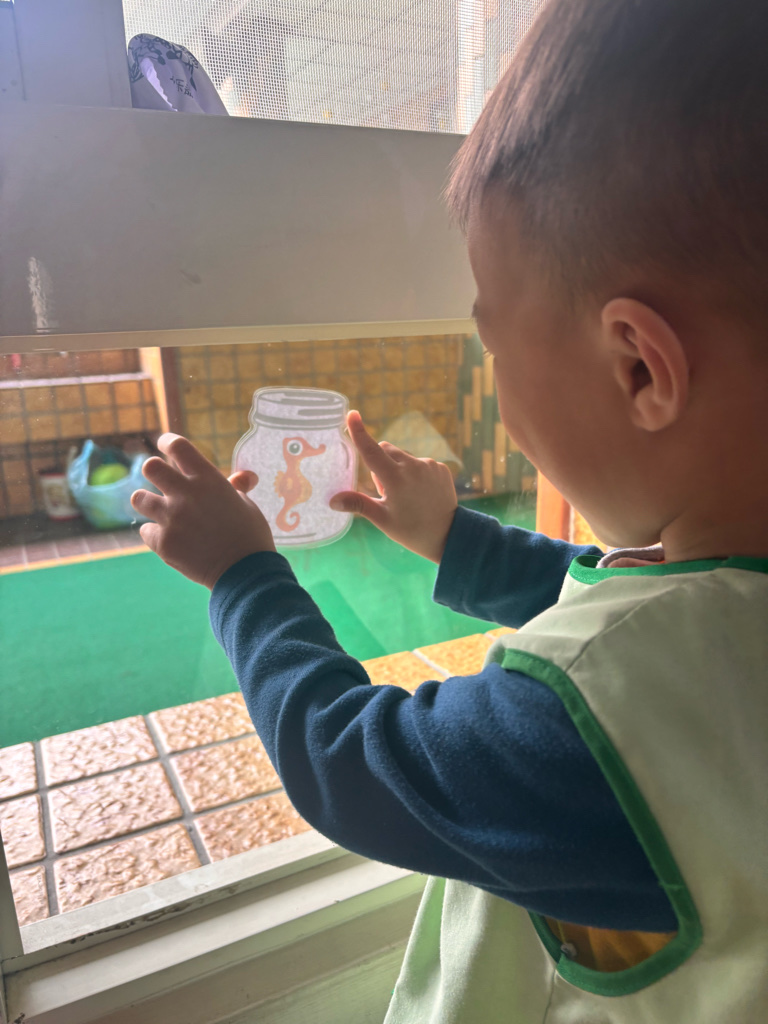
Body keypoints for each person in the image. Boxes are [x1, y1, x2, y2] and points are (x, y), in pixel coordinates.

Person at [131, 0, 768, 1018]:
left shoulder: (594, 725)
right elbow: (652, 608)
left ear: (641, 367)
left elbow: (343, 755)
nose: (496, 385)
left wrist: (243, 574)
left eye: (494, 346)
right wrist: (457, 540)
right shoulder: (718, 617)